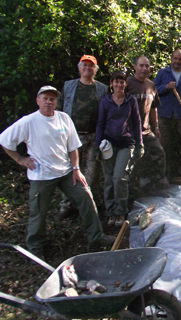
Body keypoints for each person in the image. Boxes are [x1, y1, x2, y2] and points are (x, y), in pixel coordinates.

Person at [0, 86, 116, 259]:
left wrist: (76, 169)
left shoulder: (63, 118)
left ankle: (96, 238)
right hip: (42, 176)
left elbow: (73, 147)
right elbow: (5, 140)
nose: (49, 102)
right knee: (38, 212)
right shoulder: (28, 121)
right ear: (37, 100)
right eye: (45, 98)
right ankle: (36, 250)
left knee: (85, 196)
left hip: (66, 172)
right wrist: (21, 160)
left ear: (56, 102)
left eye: (52, 99)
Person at [56, 54, 109, 220]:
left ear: (95, 69)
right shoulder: (69, 86)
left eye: (91, 66)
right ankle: (65, 207)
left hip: (93, 137)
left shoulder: (102, 88)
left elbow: (106, 113)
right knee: (69, 171)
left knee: (90, 174)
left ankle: (85, 208)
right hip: (72, 137)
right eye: (84, 65)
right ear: (79, 68)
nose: (87, 68)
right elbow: (58, 110)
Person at [95, 71, 143, 228]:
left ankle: (121, 211)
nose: (119, 85)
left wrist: (139, 144)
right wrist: (97, 147)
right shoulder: (105, 101)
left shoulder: (131, 101)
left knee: (119, 178)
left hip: (126, 143)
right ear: (111, 83)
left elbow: (137, 123)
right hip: (108, 144)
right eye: (116, 82)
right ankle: (110, 213)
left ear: (125, 84)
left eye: (122, 82)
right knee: (108, 179)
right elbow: (100, 124)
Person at [126, 56, 169, 196]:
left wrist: (156, 127)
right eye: (141, 65)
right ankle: (131, 193)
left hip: (146, 131)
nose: (144, 69)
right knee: (132, 163)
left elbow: (153, 108)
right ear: (135, 67)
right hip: (130, 132)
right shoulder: (127, 84)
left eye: (147, 66)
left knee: (159, 154)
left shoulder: (151, 85)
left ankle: (156, 187)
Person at [153, 49, 181, 181]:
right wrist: (165, 87)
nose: (177, 61)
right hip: (164, 114)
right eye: (175, 58)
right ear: (171, 59)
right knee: (163, 144)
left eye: (180, 59)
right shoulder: (163, 73)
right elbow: (153, 90)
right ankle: (164, 173)